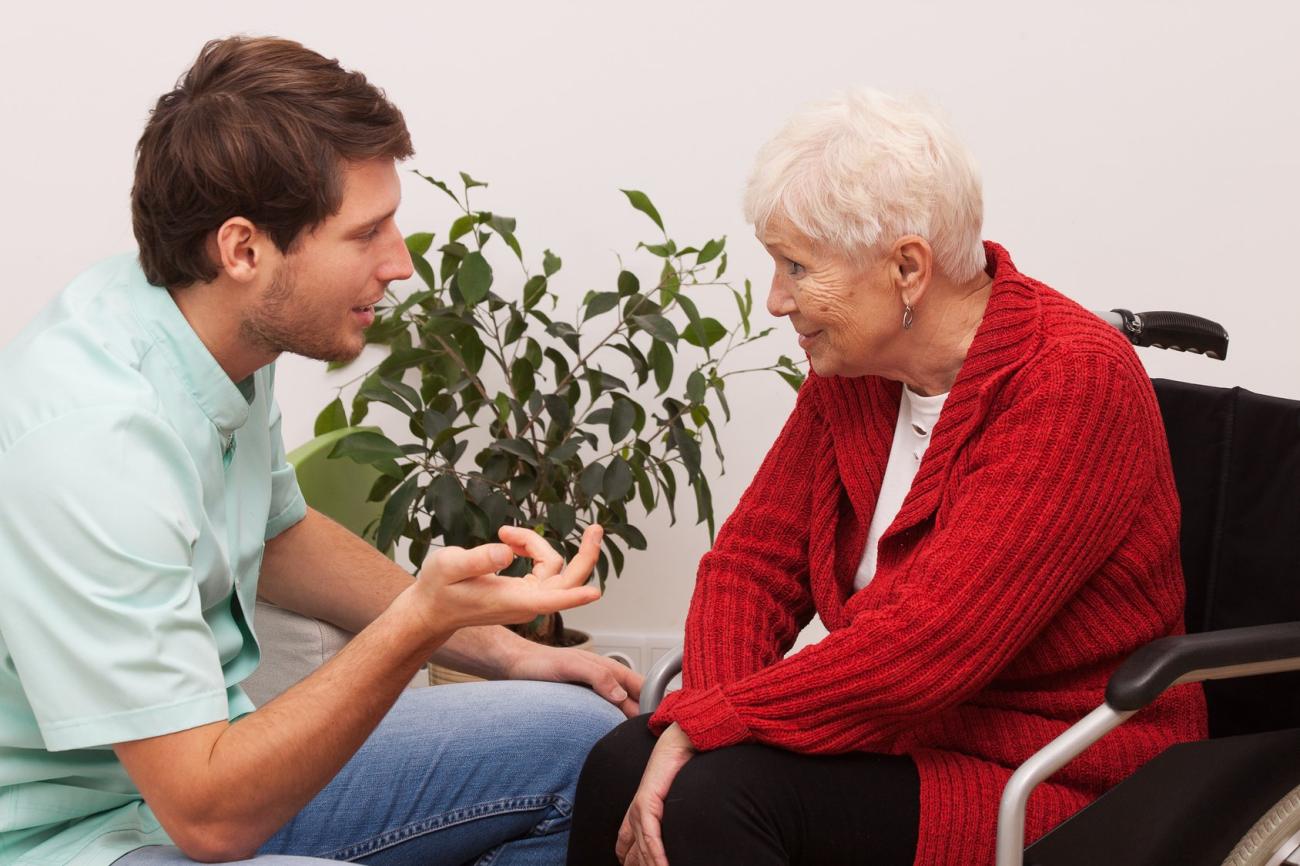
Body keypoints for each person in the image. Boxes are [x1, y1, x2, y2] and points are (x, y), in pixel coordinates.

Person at [0, 36, 642, 866]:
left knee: (587, 744)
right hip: (79, 837)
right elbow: (209, 818)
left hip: (212, 767)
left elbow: (279, 534)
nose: (401, 263)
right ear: (243, 250)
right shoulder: (93, 439)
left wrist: (500, 647)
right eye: (366, 232)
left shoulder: (220, 336)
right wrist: (418, 622)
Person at [566, 89, 1208, 866]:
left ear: (907, 268)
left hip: (1044, 767)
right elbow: (750, 567)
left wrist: (713, 724)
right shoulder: (855, 373)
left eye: (797, 266)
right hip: (894, 735)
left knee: (713, 800)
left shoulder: (1071, 382)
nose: (776, 300)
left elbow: (927, 648)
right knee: (620, 765)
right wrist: (700, 722)